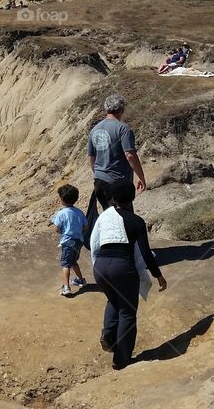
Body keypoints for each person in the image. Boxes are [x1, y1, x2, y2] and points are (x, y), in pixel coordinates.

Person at [90, 182, 167, 370]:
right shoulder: (136, 221)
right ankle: (121, 359)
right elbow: (146, 252)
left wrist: (97, 266)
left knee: (113, 301)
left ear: (113, 198)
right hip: (122, 267)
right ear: (132, 198)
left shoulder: (104, 218)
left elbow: (94, 242)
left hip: (100, 266)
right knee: (127, 311)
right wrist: (158, 275)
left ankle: (108, 335)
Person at [86, 94, 146, 229]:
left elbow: (91, 157)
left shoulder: (95, 130)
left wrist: (97, 174)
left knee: (109, 216)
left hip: (100, 181)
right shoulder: (123, 129)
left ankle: (108, 246)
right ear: (121, 109)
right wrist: (141, 176)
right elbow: (130, 155)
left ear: (106, 110)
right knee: (124, 218)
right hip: (118, 182)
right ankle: (125, 248)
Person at [51, 184, 88, 296]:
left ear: (62, 199)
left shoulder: (61, 213)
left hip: (68, 242)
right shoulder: (79, 212)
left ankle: (66, 287)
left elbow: (56, 229)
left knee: (66, 264)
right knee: (73, 261)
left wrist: (65, 231)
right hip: (79, 241)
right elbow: (86, 226)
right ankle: (80, 280)